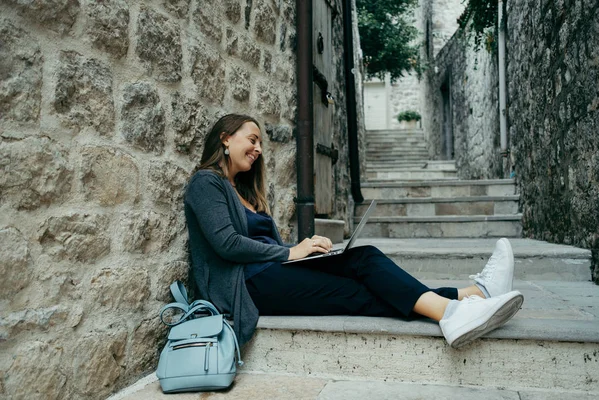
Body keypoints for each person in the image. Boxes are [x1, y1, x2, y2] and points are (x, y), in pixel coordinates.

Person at [184, 114, 524, 349]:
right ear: (226, 138)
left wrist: (301, 248)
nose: (258, 149)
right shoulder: (206, 182)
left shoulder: (243, 192)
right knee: (357, 292)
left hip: (269, 274)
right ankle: (460, 306)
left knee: (365, 260)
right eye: (252, 139)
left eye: (260, 143)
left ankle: (471, 297)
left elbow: (259, 245)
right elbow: (227, 244)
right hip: (246, 289)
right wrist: (291, 252)